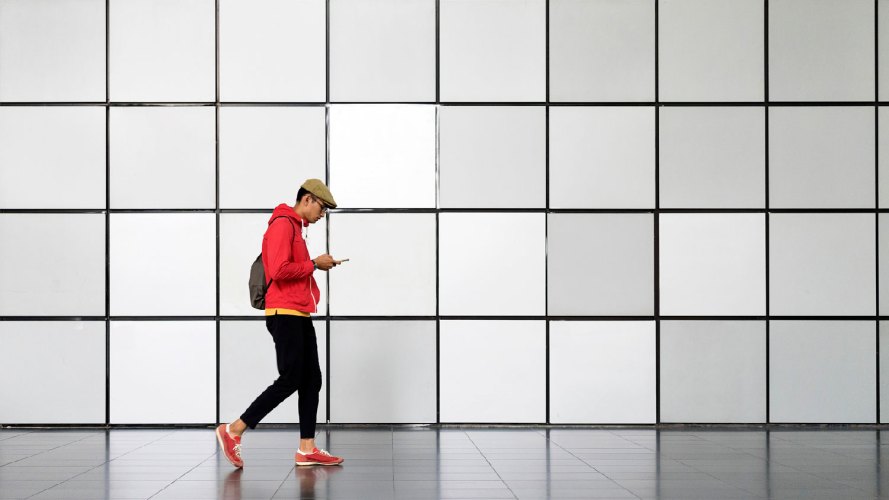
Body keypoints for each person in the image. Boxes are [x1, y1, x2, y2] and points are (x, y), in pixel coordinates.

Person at [216, 179, 344, 468]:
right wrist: (314, 264)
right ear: (308, 199)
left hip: (298, 312)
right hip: (283, 313)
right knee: (291, 378)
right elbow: (279, 269)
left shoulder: (296, 228)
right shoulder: (283, 224)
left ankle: (306, 449)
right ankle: (234, 430)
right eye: (322, 207)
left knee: (312, 379)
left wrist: (314, 263)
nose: (322, 214)